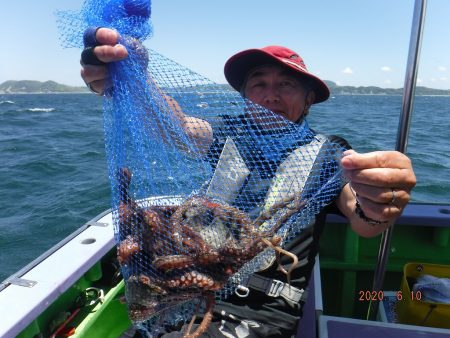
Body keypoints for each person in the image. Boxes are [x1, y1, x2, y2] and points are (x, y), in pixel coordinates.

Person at [80, 28, 416, 337]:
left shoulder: (331, 153)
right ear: (244, 95)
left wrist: (381, 200)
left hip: (261, 310)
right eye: (259, 84)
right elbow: (175, 124)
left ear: (309, 99)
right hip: (186, 294)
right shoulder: (226, 133)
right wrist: (131, 80)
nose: (271, 95)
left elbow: (363, 218)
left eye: (286, 84)